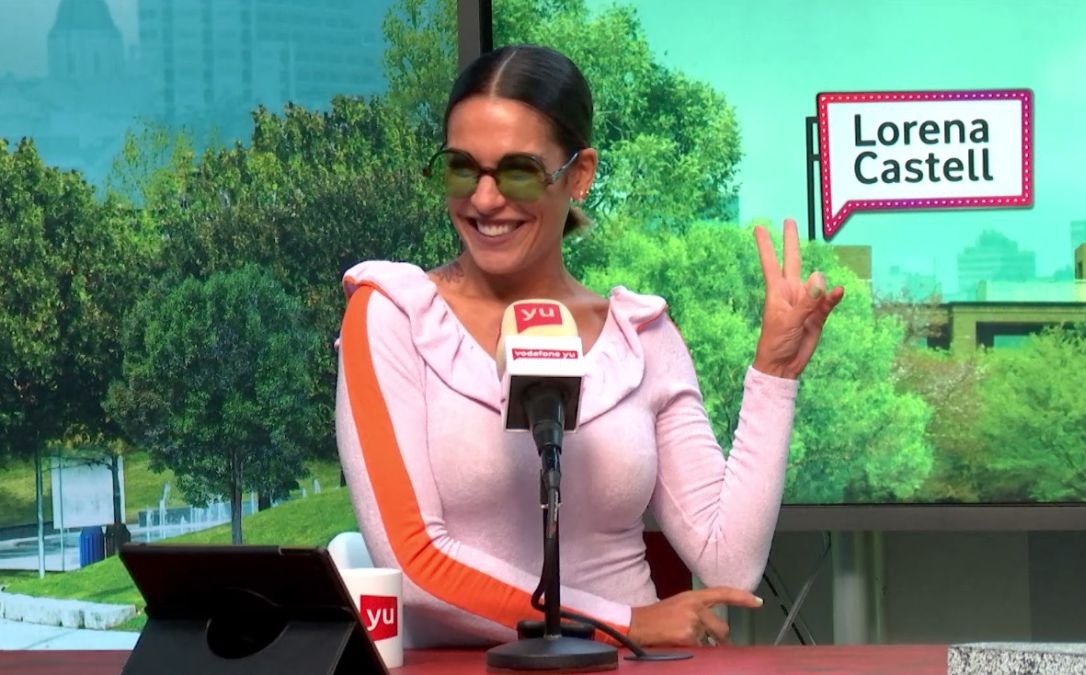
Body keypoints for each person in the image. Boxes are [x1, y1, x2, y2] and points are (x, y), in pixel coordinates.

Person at [335, 44, 844, 649]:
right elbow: (416, 566)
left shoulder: (642, 335)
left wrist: (774, 375)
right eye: (462, 169)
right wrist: (622, 624)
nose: (485, 200)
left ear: (579, 174)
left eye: (520, 171)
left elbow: (727, 563)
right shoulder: (392, 314)